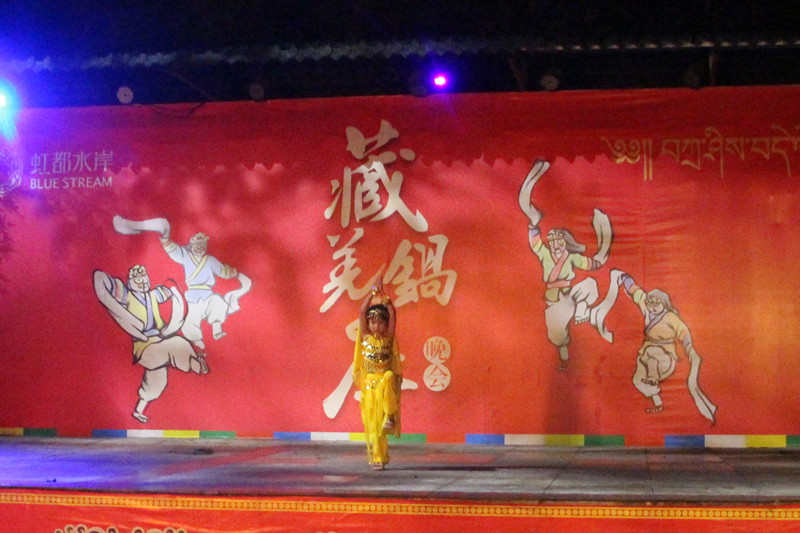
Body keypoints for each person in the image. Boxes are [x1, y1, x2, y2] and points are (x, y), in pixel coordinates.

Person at [518, 160, 613, 370]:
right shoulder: (544, 253)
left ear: (566, 242)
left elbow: (593, 264)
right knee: (557, 334)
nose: (555, 244)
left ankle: (582, 309)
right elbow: (535, 243)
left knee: (590, 285)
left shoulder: (571, 257)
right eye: (552, 241)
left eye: (559, 241)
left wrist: (603, 243)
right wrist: (533, 223)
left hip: (570, 295)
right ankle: (564, 358)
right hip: (554, 300)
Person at [93, 265, 209, 423]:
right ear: (131, 282)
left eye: (144, 279)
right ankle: (196, 365)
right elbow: (102, 279)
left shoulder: (153, 295)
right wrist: (118, 311)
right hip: (145, 347)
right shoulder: (127, 296)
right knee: (176, 344)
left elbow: (169, 289)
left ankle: (138, 410)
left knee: (156, 383)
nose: (143, 283)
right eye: (138, 280)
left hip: (159, 341)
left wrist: (174, 294)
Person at [618, 271, 717, 423]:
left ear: (664, 304)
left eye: (656, 305)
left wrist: (689, 349)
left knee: (652, 354)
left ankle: (653, 378)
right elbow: (636, 292)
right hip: (646, 353)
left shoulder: (670, 316)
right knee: (638, 379)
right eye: (650, 304)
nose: (652, 308)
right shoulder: (647, 307)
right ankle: (656, 400)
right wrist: (625, 278)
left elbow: (683, 331)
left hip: (664, 356)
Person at [352, 280, 402, 470]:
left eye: (381, 322)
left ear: (386, 324)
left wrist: (385, 298)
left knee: (388, 376)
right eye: (373, 322)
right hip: (370, 387)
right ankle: (379, 457)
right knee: (374, 426)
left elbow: (393, 313)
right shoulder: (365, 337)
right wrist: (372, 293)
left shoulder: (389, 338)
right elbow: (361, 312)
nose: (376, 326)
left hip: (385, 385)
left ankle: (390, 414)